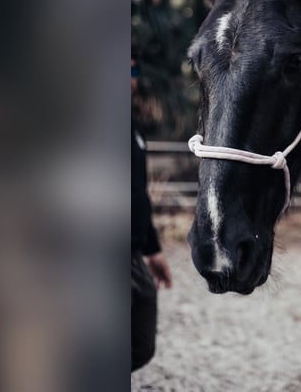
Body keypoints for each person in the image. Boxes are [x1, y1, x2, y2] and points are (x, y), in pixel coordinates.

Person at [131, 54, 172, 372]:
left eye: (132, 69)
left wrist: (153, 249)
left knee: (141, 345)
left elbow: (137, 192)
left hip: (133, 251)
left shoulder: (130, 124)